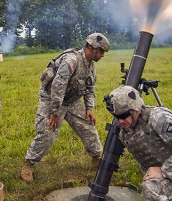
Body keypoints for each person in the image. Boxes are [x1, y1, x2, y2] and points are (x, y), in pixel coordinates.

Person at [21, 32, 110, 183]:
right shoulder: (71, 60)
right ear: (91, 47)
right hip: (52, 99)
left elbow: (90, 87)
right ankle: (28, 164)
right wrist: (55, 113)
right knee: (48, 131)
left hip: (72, 100)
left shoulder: (91, 65)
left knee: (88, 125)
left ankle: (96, 158)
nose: (102, 55)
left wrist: (89, 108)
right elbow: (57, 86)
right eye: (101, 51)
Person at [104, 85, 172, 201]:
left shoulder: (157, 117)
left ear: (136, 109)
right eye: (116, 116)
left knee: (151, 190)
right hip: (165, 167)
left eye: (123, 115)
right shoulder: (126, 129)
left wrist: (165, 170)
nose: (120, 121)